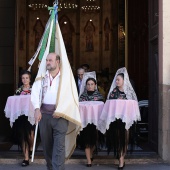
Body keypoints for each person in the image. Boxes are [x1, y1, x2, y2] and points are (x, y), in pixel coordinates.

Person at [31, 53, 69, 170]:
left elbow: (70, 96)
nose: (47, 62)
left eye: (50, 60)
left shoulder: (65, 77)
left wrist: (62, 110)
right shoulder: (41, 77)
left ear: (57, 61)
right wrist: (37, 109)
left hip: (60, 116)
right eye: (47, 60)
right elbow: (35, 93)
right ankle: (51, 168)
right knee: (47, 147)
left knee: (59, 147)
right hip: (44, 116)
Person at [106, 67, 137, 169]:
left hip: (126, 119)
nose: (117, 81)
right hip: (116, 120)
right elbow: (110, 105)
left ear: (124, 80)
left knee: (125, 140)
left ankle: (122, 156)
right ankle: (121, 160)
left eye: (118, 79)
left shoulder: (129, 92)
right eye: (116, 79)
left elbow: (133, 104)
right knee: (118, 139)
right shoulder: (114, 92)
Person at [12, 70, 34, 167]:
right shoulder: (18, 91)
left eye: (26, 78)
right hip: (21, 117)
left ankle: (31, 147)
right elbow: (14, 102)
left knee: (30, 136)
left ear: (30, 79)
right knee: (23, 137)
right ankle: (26, 158)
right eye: (23, 78)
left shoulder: (34, 90)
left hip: (30, 116)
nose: (25, 80)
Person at [79, 78, 103, 167]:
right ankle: (88, 160)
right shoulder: (82, 97)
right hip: (85, 122)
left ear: (95, 85)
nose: (90, 86)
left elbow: (101, 109)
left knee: (93, 141)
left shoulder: (99, 96)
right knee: (86, 141)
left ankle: (91, 154)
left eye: (92, 84)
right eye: (88, 84)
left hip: (94, 122)